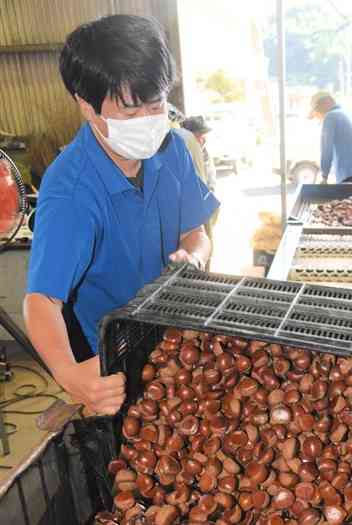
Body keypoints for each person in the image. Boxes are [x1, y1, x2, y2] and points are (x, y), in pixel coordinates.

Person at [23, 15, 219, 416]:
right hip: (116, 360)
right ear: (86, 105)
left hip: (175, 334)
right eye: (130, 113)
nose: (148, 122)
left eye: (156, 105)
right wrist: (70, 375)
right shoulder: (72, 190)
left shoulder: (173, 149)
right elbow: (41, 300)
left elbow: (196, 232)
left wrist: (193, 258)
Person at [308, 91, 352, 183]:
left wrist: (324, 176)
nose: (319, 115)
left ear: (324, 103)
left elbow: (326, 150)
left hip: (351, 175)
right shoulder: (347, 113)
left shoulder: (330, 116)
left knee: (351, 198)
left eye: (318, 111)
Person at [181, 116, 219, 270]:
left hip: (206, 203)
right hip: (197, 207)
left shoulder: (203, 152)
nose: (202, 139)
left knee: (206, 243)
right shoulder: (185, 148)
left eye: (203, 135)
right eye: (199, 135)